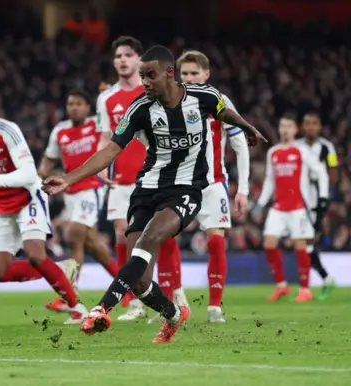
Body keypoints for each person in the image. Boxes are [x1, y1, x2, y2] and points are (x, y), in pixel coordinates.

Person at [43, 45, 265, 343]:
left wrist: (247, 127)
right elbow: (110, 150)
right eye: (142, 76)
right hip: (147, 189)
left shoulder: (204, 96)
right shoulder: (140, 108)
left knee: (149, 240)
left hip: (187, 189)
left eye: (150, 76)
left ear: (169, 73)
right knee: (140, 279)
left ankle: (101, 308)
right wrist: (68, 179)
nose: (144, 82)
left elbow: (225, 112)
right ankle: (173, 314)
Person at [0, 82, 87, 319]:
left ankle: (77, 307)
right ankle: (60, 270)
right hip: (2, 205)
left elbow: (29, 173)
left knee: (35, 254)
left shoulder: (7, 130)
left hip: (29, 197)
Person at [96, 36, 187, 322]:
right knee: (124, 237)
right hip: (121, 179)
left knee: (162, 236)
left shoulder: (155, 91)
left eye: (128, 54)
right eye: (118, 55)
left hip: (154, 175)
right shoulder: (106, 98)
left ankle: (174, 292)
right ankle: (135, 301)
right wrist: (101, 166)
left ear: (139, 59)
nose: (122, 60)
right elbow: (104, 136)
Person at [177, 50, 251, 323]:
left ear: (206, 74)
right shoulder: (171, 101)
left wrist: (242, 189)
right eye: (184, 73)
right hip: (179, 184)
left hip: (212, 184)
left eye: (195, 73)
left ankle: (214, 307)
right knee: (165, 239)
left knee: (216, 242)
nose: (189, 78)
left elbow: (240, 144)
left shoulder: (219, 102)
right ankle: (175, 299)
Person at [39, 89, 120, 324]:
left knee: (74, 234)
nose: (73, 107)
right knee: (93, 245)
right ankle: (129, 288)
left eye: (78, 103)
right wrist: (38, 175)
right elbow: (48, 160)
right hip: (70, 192)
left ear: (88, 107)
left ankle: (69, 297)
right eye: (70, 103)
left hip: (92, 188)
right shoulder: (60, 130)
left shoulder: (97, 124)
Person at [254, 115, 329, 303]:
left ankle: (305, 289)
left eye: (288, 126)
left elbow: (321, 172)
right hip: (278, 207)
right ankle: (282, 286)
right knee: (269, 243)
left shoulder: (302, 151)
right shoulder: (273, 152)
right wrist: (261, 204)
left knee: (300, 246)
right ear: (279, 130)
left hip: (298, 207)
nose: (285, 129)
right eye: (282, 126)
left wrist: (323, 197)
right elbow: (270, 180)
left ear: (295, 130)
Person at [296, 112, 337, 299]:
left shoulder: (327, 148)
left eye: (314, 123)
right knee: (305, 244)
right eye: (307, 124)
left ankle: (317, 282)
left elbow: (334, 171)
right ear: (303, 127)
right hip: (298, 200)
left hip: (317, 203)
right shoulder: (296, 147)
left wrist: (325, 193)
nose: (311, 127)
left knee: (305, 243)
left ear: (320, 127)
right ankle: (323, 280)